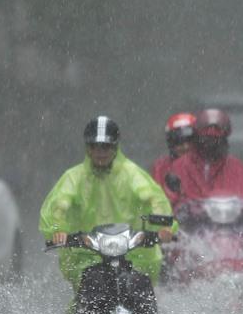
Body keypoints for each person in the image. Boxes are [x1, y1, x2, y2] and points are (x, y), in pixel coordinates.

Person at [39, 116, 175, 301]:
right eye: (95, 146)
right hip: (87, 254)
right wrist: (58, 229)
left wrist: (164, 225)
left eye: (106, 146)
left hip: (133, 254)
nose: (100, 152)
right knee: (90, 289)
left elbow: (154, 197)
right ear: (87, 148)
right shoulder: (73, 177)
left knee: (140, 288)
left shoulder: (131, 173)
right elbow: (58, 205)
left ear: (115, 147)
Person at [163, 108, 243, 209]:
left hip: (231, 225)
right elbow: (168, 200)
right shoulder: (180, 166)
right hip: (192, 225)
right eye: (206, 139)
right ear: (197, 139)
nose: (211, 145)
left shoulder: (235, 166)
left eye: (216, 140)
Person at [150, 112, 196, 186]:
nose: (185, 146)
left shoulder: (210, 165)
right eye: (178, 141)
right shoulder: (160, 168)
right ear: (170, 144)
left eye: (190, 139)